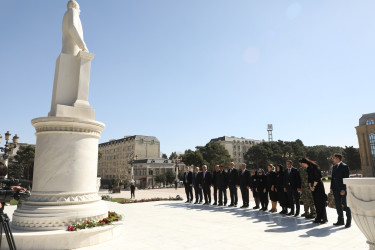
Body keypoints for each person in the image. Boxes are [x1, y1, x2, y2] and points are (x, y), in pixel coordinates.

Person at [300, 158, 327, 224]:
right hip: (312, 187)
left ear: (305, 163)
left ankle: (324, 218)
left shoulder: (315, 167)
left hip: (318, 186)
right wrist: (310, 186)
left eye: (302, 164)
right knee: (316, 203)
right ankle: (318, 217)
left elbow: (317, 178)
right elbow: (309, 179)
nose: (302, 165)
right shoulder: (308, 169)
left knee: (321, 202)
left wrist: (313, 186)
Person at [330, 153, 352, 228]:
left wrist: (344, 189)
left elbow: (346, 179)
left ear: (338, 158)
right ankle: (340, 220)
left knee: (346, 205)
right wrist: (331, 188)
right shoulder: (334, 167)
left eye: (334, 158)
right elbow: (332, 178)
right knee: (338, 205)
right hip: (335, 189)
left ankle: (348, 222)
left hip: (342, 189)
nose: (333, 159)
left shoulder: (345, 166)